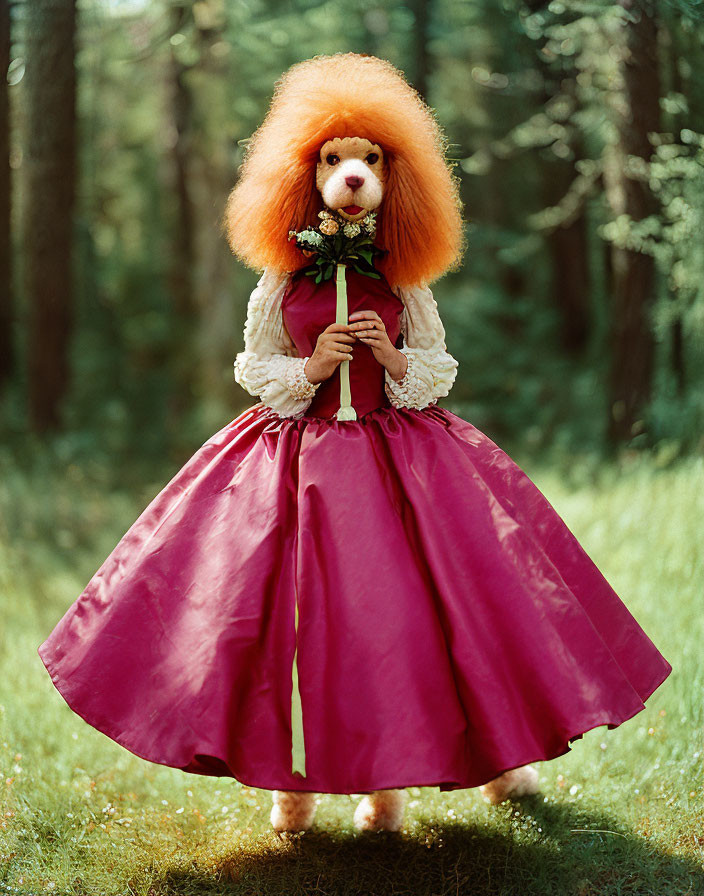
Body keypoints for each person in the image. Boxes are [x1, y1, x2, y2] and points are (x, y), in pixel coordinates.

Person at [38, 53, 672, 835]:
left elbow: (437, 365)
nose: (351, 173)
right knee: (278, 620)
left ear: (390, 174)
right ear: (307, 174)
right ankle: (292, 783)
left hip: (397, 453)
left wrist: (393, 358)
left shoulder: (402, 274)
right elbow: (253, 363)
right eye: (335, 159)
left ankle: (417, 781)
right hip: (296, 454)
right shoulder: (283, 275)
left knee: (421, 613)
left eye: (367, 159)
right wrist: (312, 367)